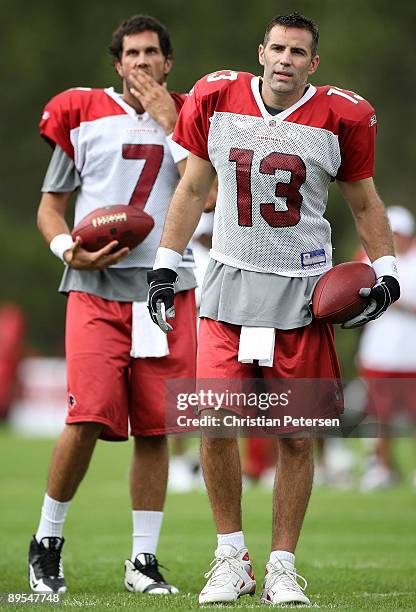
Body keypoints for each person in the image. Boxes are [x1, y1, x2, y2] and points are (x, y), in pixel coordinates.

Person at [147, 12, 401, 605]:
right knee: (212, 425)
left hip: (304, 293)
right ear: (261, 51)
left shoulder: (344, 116)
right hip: (228, 283)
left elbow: (364, 203)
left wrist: (386, 272)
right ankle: (230, 558)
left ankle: (282, 565)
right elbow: (190, 188)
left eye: (298, 53)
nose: (285, 60)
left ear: (313, 64)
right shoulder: (215, 96)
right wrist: (165, 262)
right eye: (277, 48)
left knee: (295, 436)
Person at [29, 14, 197, 595]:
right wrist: (65, 250)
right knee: (85, 419)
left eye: (153, 53)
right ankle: (46, 543)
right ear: (117, 63)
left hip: (165, 288)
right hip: (97, 290)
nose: (143, 63)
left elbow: (210, 188)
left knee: (157, 428)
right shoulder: (82, 112)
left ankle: (142, 562)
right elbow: (51, 206)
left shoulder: (189, 115)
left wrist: (173, 122)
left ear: (168, 62)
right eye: (132, 54)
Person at [357, 206, 416, 491]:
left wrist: (396, 302)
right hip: (379, 353)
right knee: (381, 415)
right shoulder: (369, 259)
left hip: (411, 355)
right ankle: (382, 467)